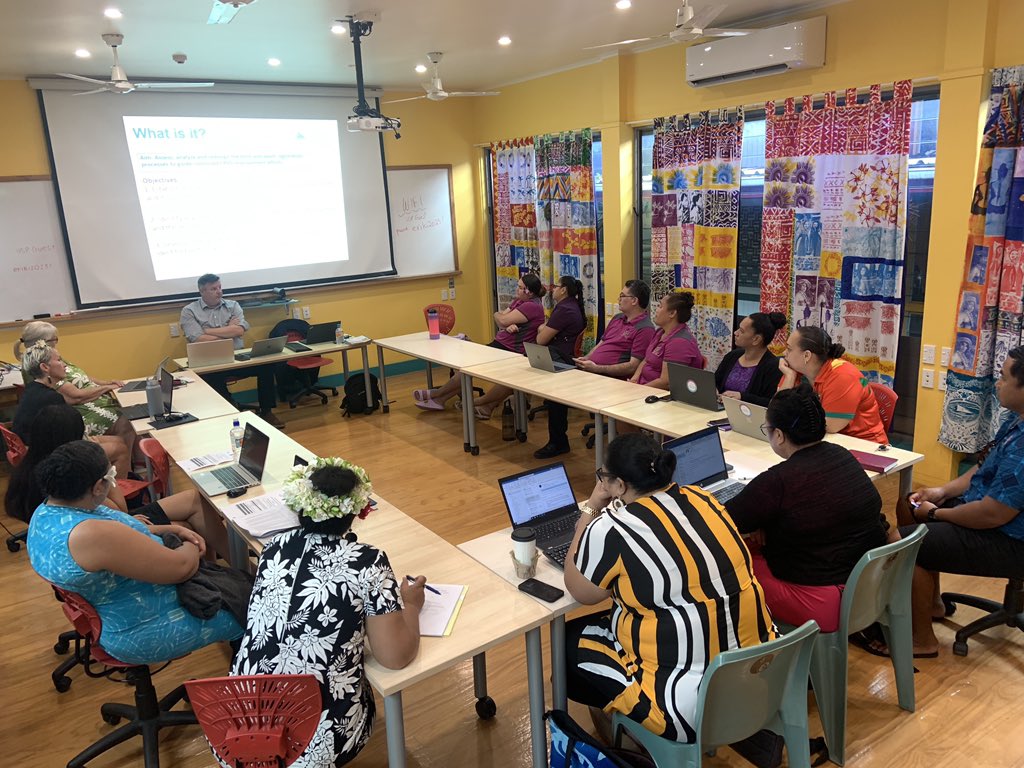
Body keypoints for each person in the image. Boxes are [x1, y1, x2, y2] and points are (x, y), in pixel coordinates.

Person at [563, 433, 776, 743]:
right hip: (760, 674)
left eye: (604, 477)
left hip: (687, 709)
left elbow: (580, 590)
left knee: (568, 644)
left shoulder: (613, 528)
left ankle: (629, 740)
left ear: (619, 485)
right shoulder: (704, 499)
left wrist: (592, 507)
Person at [228, 457, 424, 767]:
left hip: (238, 726)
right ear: (356, 511)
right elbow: (395, 657)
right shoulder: (367, 561)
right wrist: (410, 604)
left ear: (299, 505)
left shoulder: (274, 547)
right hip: (312, 742)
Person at [26, 440, 242, 665]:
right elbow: (182, 568)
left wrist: (171, 529)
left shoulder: (47, 511)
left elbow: (127, 530)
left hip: (122, 608)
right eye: (111, 477)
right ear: (98, 487)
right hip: (143, 629)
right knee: (253, 605)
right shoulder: (92, 535)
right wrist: (191, 542)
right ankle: (249, 663)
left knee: (237, 586)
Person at [893, 349, 1024, 658]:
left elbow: (993, 514)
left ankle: (922, 640)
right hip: (990, 515)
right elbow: (983, 468)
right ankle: (931, 603)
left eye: (1004, 378)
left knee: (907, 543)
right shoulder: (1015, 420)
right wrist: (940, 491)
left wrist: (938, 514)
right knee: (909, 505)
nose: (997, 384)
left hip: (1010, 540)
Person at [725, 388, 887, 632]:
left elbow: (724, 521)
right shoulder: (842, 456)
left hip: (821, 600)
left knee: (727, 560)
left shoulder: (778, 481)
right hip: (870, 583)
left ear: (779, 435)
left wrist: (761, 521)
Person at [6, 403, 229, 558]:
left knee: (194, 498)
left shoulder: (37, 464)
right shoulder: (73, 473)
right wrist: (103, 466)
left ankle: (233, 559)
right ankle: (231, 561)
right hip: (113, 528)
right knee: (187, 525)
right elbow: (121, 509)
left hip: (106, 523)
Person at [534, 279, 656, 459]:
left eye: (622, 295)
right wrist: (587, 358)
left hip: (610, 379)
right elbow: (602, 343)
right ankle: (558, 440)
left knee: (558, 384)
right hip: (591, 369)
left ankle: (558, 442)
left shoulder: (645, 328)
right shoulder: (617, 318)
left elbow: (633, 366)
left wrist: (597, 368)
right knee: (552, 354)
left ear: (634, 301)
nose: (618, 298)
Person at [413, 273, 546, 413]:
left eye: (520, 287)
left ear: (529, 292)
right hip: (500, 345)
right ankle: (439, 398)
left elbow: (501, 319)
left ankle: (439, 395)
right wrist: (503, 320)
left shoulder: (532, 306)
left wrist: (500, 317)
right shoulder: (519, 302)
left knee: (470, 368)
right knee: (468, 368)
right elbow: (502, 320)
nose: (516, 290)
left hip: (512, 351)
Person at [464, 275, 586, 419]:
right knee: (515, 371)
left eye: (556, 287)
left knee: (516, 374)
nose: (552, 289)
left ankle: (478, 402)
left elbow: (540, 339)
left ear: (563, 290)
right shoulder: (569, 305)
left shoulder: (563, 309)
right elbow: (506, 320)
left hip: (557, 358)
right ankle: (486, 406)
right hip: (557, 353)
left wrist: (499, 316)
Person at [15, 321, 136, 465]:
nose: (64, 365)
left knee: (120, 441)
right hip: (51, 452)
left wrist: (107, 383)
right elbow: (66, 432)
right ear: (45, 367)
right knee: (121, 446)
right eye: (59, 361)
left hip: (45, 443)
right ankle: (120, 474)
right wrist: (88, 441)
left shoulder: (36, 385)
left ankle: (127, 469)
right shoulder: (52, 397)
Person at [180, 273, 284, 429]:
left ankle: (267, 411)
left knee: (266, 366)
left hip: (236, 357)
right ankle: (230, 410)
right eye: (213, 289)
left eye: (220, 287)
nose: (219, 291)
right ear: (202, 291)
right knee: (210, 376)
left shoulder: (233, 305)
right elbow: (197, 339)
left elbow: (239, 331)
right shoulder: (189, 311)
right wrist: (228, 330)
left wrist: (207, 331)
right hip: (209, 360)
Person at [777, 326, 887, 444]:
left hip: (864, 445)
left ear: (807, 356)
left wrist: (790, 417)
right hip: (822, 441)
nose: (784, 353)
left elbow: (829, 426)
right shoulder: (794, 370)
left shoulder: (843, 376)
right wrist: (789, 376)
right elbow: (777, 410)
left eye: (789, 349)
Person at [628, 291, 701, 388]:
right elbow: (646, 360)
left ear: (672, 313)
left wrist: (639, 390)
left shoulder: (680, 342)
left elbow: (665, 382)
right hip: (643, 387)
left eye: (660, 306)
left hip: (659, 393)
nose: (656, 310)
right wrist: (634, 381)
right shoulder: (660, 332)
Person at [715, 312, 787, 406]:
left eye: (741, 331)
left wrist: (742, 397)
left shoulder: (773, 366)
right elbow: (715, 381)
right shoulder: (732, 356)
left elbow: (771, 403)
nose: (736, 333)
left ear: (756, 339)